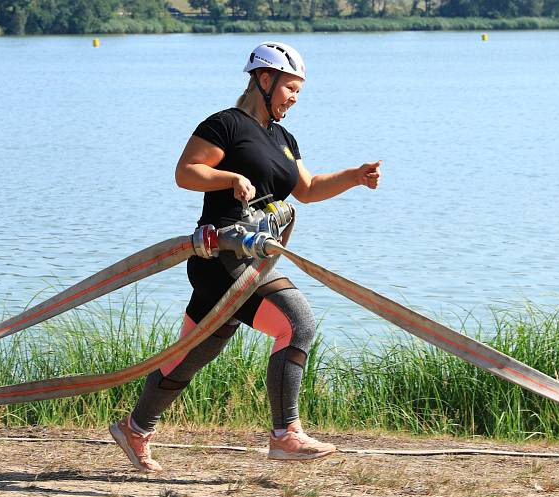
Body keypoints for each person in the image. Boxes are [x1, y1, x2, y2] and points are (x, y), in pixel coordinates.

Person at [109, 41, 382, 472]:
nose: (295, 97)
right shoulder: (226, 125)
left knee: (192, 355)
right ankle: (285, 434)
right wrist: (230, 176)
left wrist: (353, 176)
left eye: (299, 91)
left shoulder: (283, 137)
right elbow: (186, 172)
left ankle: (135, 427)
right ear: (265, 79)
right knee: (297, 323)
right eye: (290, 88)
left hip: (256, 260)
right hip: (222, 259)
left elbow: (307, 189)